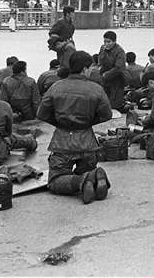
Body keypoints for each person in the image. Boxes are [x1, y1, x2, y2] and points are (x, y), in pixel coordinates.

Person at [36, 51, 112, 204]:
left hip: (63, 141)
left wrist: (59, 123)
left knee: (55, 180)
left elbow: (41, 114)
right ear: (84, 69)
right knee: (87, 169)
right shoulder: (96, 89)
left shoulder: (56, 87)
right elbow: (106, 115)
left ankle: (80, 181)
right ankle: (92, 175)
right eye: (90, 68)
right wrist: (88, 123)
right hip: (87, 143)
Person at [98, 31, 128, 111]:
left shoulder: (120, 51)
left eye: (109, 42)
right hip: (105, 77)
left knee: (114, 105)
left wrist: (106, 74)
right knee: (104, 101)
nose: (106, 44)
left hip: (117, 78)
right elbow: (100, 61)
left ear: (114, 41)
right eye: (105, 41)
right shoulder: (102, 48)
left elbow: (119, 68)